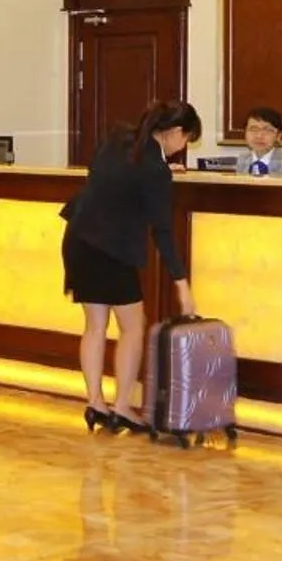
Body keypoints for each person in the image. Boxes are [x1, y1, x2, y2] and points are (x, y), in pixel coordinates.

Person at [61, 101, 200, 434]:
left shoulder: (118, 138)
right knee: (133, 326)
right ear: (175, 132)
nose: (183, 146)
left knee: (95, 326)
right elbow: (162, 230)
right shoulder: (154, 170)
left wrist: (161, 169)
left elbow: (110, 176)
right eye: (186, 139)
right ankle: (122, 405)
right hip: (112, 250)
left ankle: (95, 402)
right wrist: (181, 283)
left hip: (79, 238)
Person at [242, 106, 282, 176]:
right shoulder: (242, 159)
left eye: (267, 130)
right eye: (253, 129)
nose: (259, 136)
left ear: (278, 136)